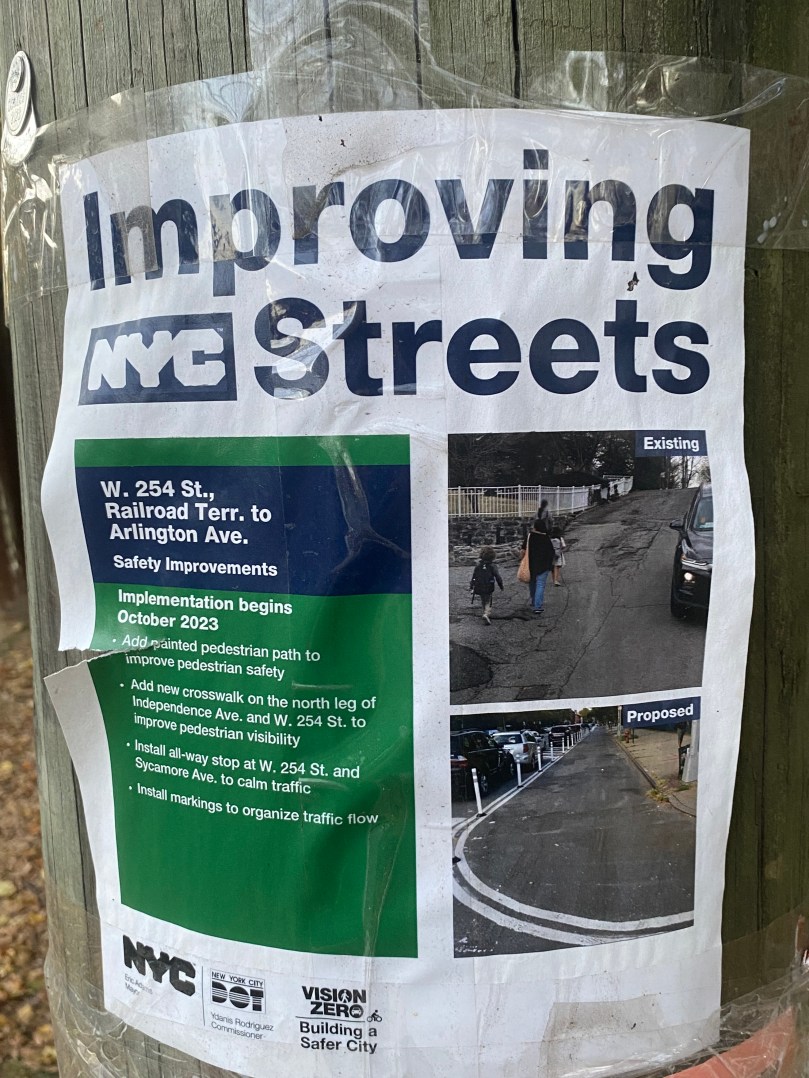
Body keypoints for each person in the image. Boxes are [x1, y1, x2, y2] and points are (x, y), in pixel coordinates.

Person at [521, 519, 555, 613]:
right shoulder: (546, 538)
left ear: (535, 526)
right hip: (543, 564)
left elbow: (523, 550)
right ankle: (538, 606)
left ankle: (533, 600)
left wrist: (522, 560)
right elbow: (551, 552)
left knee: (532, 582)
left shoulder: (529, 537)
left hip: (531, 564)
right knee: (540, 584)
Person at [469, 546, 503, 625]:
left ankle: (484, 611)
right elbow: (498, 576)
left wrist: (472, 586)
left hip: (479, 585)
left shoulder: (478, 566)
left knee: (483, 599)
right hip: (488, 585)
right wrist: (501, 585)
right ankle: (486, 614)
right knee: (488, 600)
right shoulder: (492, 566)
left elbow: (474, 576)